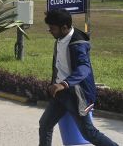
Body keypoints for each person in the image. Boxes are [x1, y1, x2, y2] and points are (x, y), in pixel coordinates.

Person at [38, 9, 118, 146]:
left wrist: (63, 84)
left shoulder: (78, 43)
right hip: (60, 93)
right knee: (45, 124)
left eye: (52, 28)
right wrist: (55, 84)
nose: (50, 31)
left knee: (89, 133)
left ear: (64, 27)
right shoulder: (60, 38)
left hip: (76, 95)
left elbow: (84, 68)